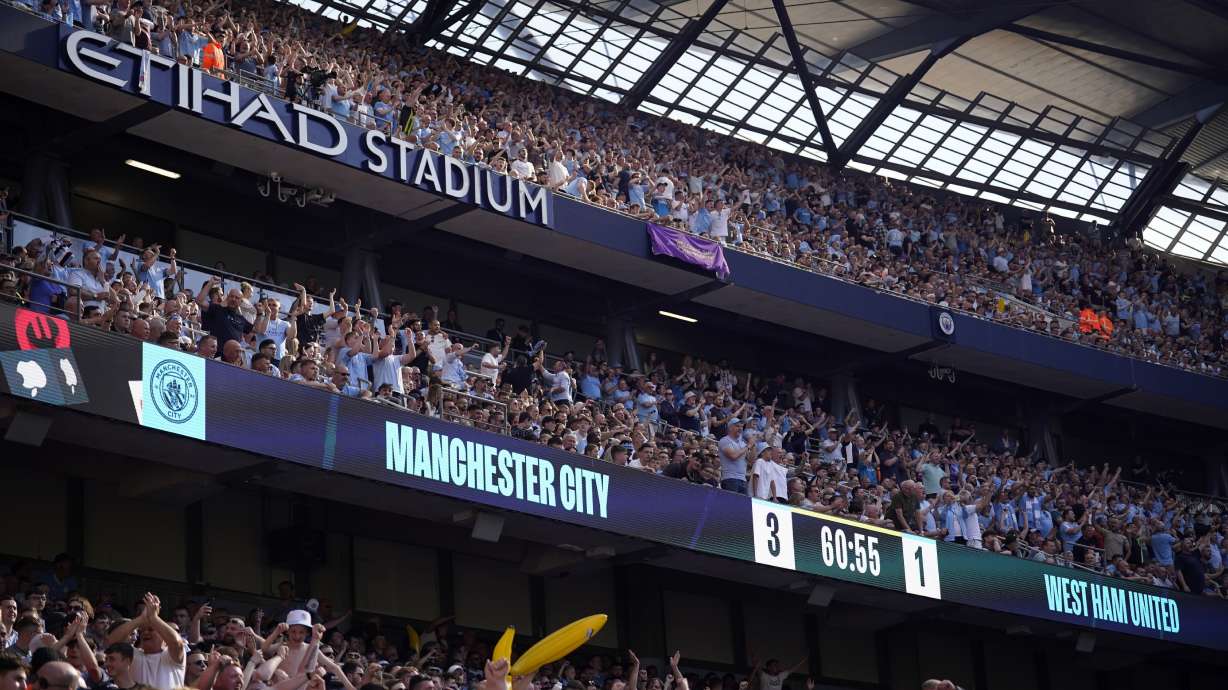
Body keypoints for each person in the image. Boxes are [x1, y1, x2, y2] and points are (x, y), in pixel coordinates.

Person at [104, 593, 185, 690]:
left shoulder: (170, 656)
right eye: (142, 630)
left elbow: (176, 642)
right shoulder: (134, 654)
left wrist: (154, 618)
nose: (145, 633)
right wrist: (141, 618)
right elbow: (112, 641)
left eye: (151, 630)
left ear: (163, 635)